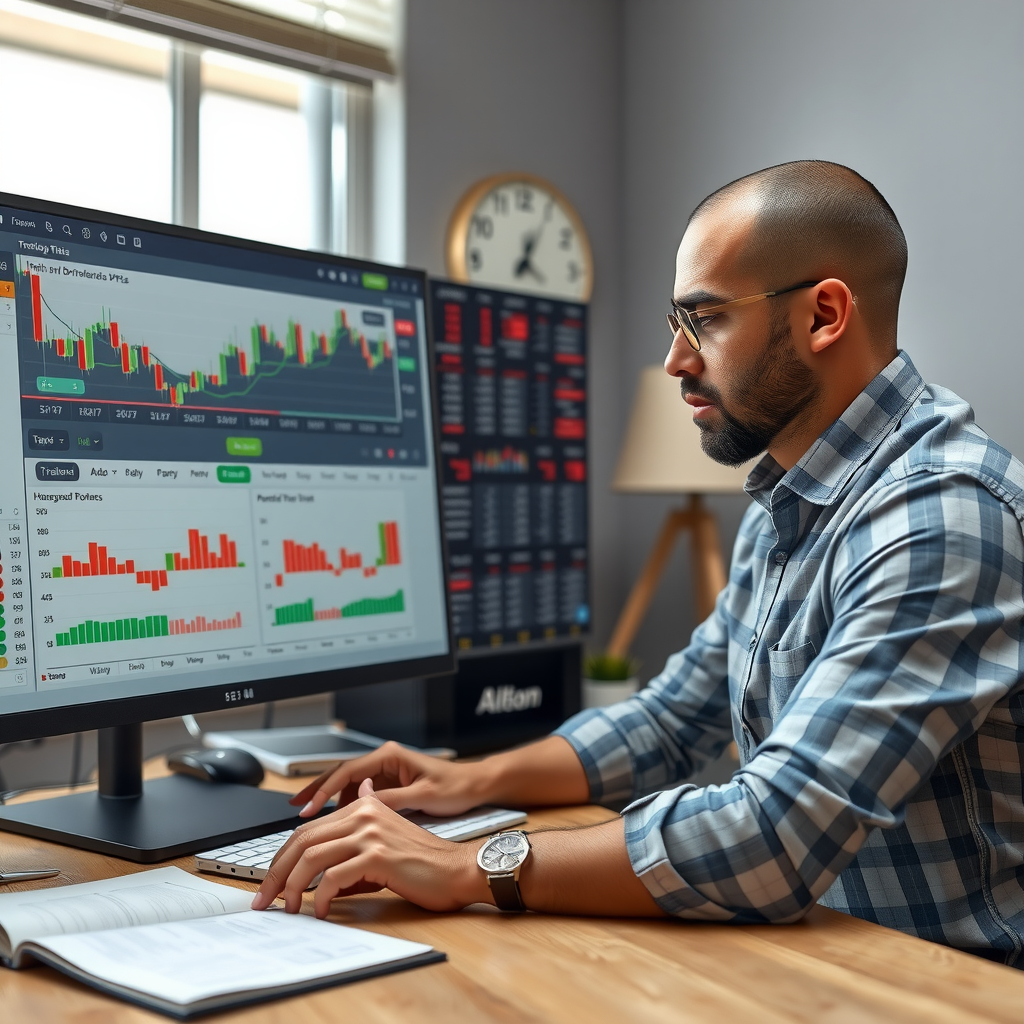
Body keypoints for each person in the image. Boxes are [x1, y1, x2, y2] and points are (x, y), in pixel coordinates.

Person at [253, 160, 1024, 966]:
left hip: (944, 989)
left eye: (705, 320)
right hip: (819, 964)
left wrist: (463, 865)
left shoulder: (941, 518)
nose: (674, 361)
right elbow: (667, 722)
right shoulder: (794, 503)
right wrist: (464, 783)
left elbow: (773, 838)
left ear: (824, 315)